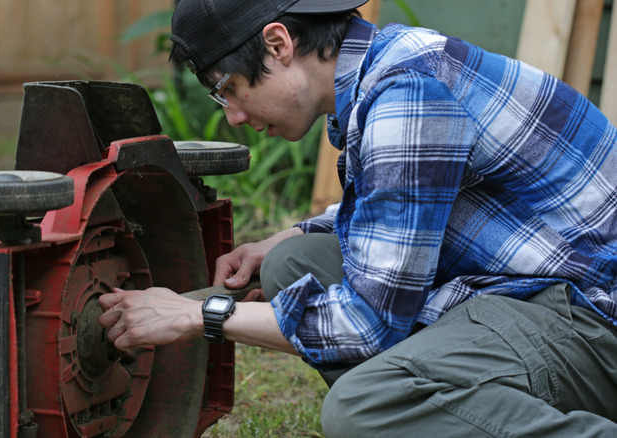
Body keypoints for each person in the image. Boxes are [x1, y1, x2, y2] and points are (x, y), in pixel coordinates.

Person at [99, 0, 617, 435]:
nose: (234, 114)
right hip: (537, 285)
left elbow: (365, 323)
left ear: (279, 44)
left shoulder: (407, 96)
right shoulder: (390, 63)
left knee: (364, 406)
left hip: (592, 319)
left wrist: (198, 315)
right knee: (293, 261)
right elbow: (409, 204)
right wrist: (293, 232)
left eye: (230, 88)